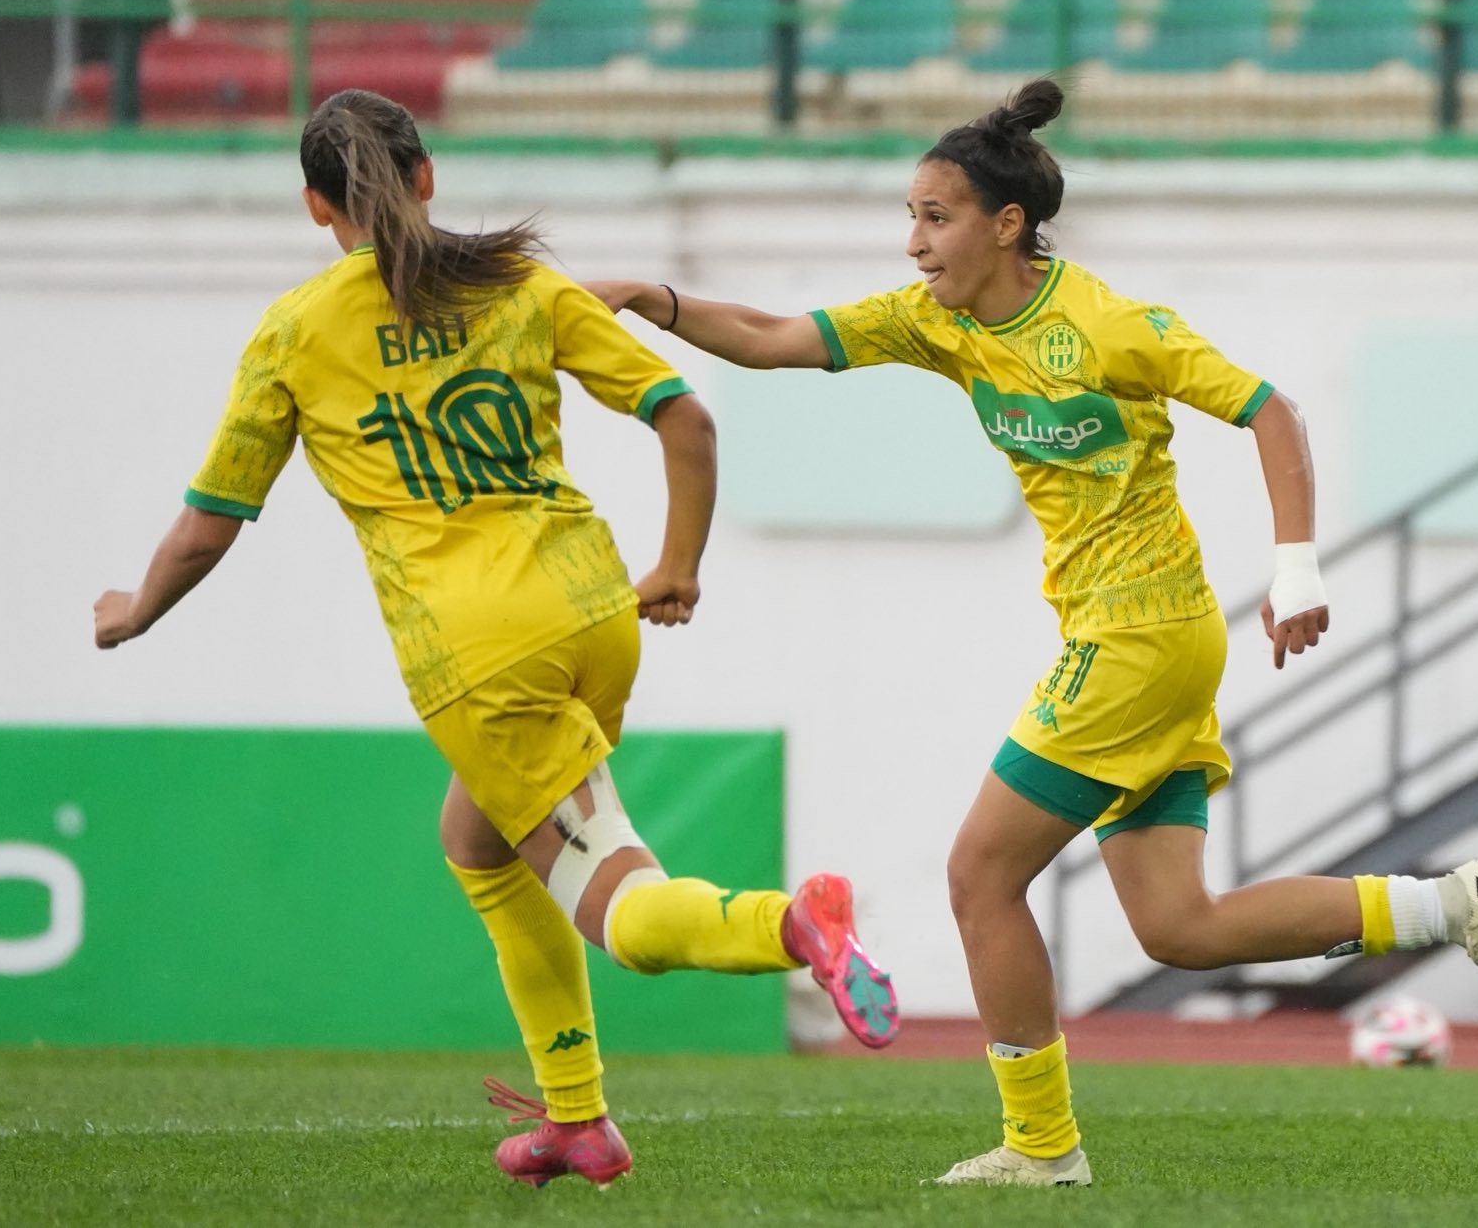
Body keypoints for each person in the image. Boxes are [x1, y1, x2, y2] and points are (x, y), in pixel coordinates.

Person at [585, 78, 1478, 1189]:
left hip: (1140, 640)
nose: (911, 243)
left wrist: (1293, 570)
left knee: (976, 874)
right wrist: (651, 298)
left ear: (1004, 225)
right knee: (1177, 925)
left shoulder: (1103, 323)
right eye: (908, 217)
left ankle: (1041, 1147)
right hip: (1136, 641)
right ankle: (1451, 902)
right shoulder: (937, 322)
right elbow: (765, 336)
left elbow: (1265, 408)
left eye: (933, 218)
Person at [92, 88, 899, 1190]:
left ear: (313, 205)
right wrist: (677, 566)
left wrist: (134, 608)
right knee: (476, 837)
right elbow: (688, 418)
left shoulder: (294, 330)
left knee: (613, 897)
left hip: (478, 652)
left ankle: (788, 924)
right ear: (426, 176)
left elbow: (208, 526)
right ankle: (577, 1119)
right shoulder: (522, 280)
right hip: (593, 609)